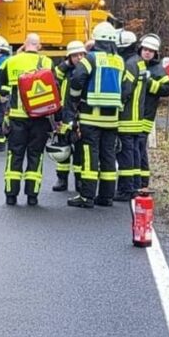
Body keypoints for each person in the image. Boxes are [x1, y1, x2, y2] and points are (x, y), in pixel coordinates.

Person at [64, 21, 125, 208]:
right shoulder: (119, 60)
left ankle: (87, 196)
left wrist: (74, 101)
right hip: (112, 118)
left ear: (96, 39)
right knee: (108, 156)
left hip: (91, 116)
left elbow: (76, 79)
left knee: (91, 155)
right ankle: (106, 196)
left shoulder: (91, 59)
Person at [0, 33, 53, 206]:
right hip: (40, 118)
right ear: (39, 45)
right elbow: (53, 90)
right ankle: (32, 196)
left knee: (15, 155)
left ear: (24, 44)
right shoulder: (46, 62)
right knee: (35, 156)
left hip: (17, 117)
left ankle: (11, 195)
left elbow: (1, 88)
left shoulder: (10, 62)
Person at [137, 33, 169, 189]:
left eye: (150, 51)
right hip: (131, 114)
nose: (147, 52)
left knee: (140, 147)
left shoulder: (158, 70)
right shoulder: (133, 64)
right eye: (145, 49)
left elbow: (167, 89)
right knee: (131, 149)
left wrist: (150, 82)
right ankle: (133, 182)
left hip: (146, 115)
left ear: (155, 53)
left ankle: (143, 183)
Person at [51, 41, 87, 192]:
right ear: (69, 57)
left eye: (81, 54)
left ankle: (79, 181)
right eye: (75, 55)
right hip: (64, 115)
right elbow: (53, 77)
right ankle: (62, 179)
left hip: (80, 115)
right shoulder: (63, 71)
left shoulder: (87, 71)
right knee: (63, 150)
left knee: (79, 152)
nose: (79, 57)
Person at [116, 36, 146, 200]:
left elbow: (125, 89)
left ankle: (126, 189)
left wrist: (117, 104)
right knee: (134, 153)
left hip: (127, 117)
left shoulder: (129, 64)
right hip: (137, 117)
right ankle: (134, 185)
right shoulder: (139, 61)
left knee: (125, 153)